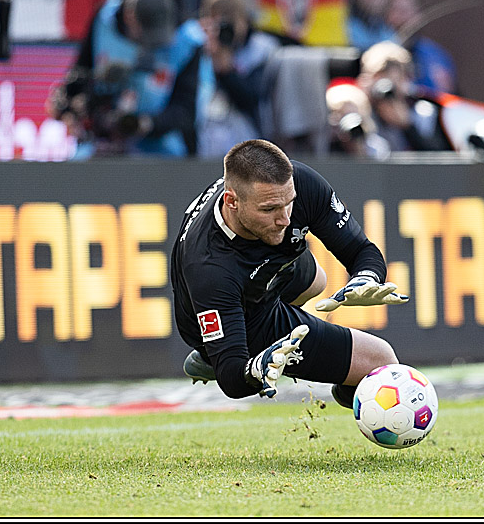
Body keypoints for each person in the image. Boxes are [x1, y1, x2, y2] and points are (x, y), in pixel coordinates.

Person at [171, 139, 410, 405]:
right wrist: (254, 367)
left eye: (289, 203)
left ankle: (286, 330)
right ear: (232, 202)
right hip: (239, 312)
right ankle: (214, 354)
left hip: (271, 271)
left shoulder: (301, 184)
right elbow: (232, 381)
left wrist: (366, 277)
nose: (285, 218)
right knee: (382, 361)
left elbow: (362, 250)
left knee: (318, 279)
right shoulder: (210, 268)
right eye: (269, 209)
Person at [49, 0, 207, 158]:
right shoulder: (104, 18)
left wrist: (144, 124)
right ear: (129, 17)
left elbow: (185, 111)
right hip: (100, 144)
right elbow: (81, 71)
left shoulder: (187, 40)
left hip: (161, 149)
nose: (150, 45)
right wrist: (69, 107)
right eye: (145, 34)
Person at [195, 0, 280, 157]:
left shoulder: (262, 49)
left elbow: (252, 98)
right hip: (203, 140)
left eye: (229, 20)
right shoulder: (196, 44)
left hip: (250, 142)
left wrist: (226, 67)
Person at [386, 0, 458, 95]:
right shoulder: (382, 51)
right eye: (399, 11)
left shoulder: (436, 55)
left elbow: (448, 94)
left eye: (409, 11)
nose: (405, 18)